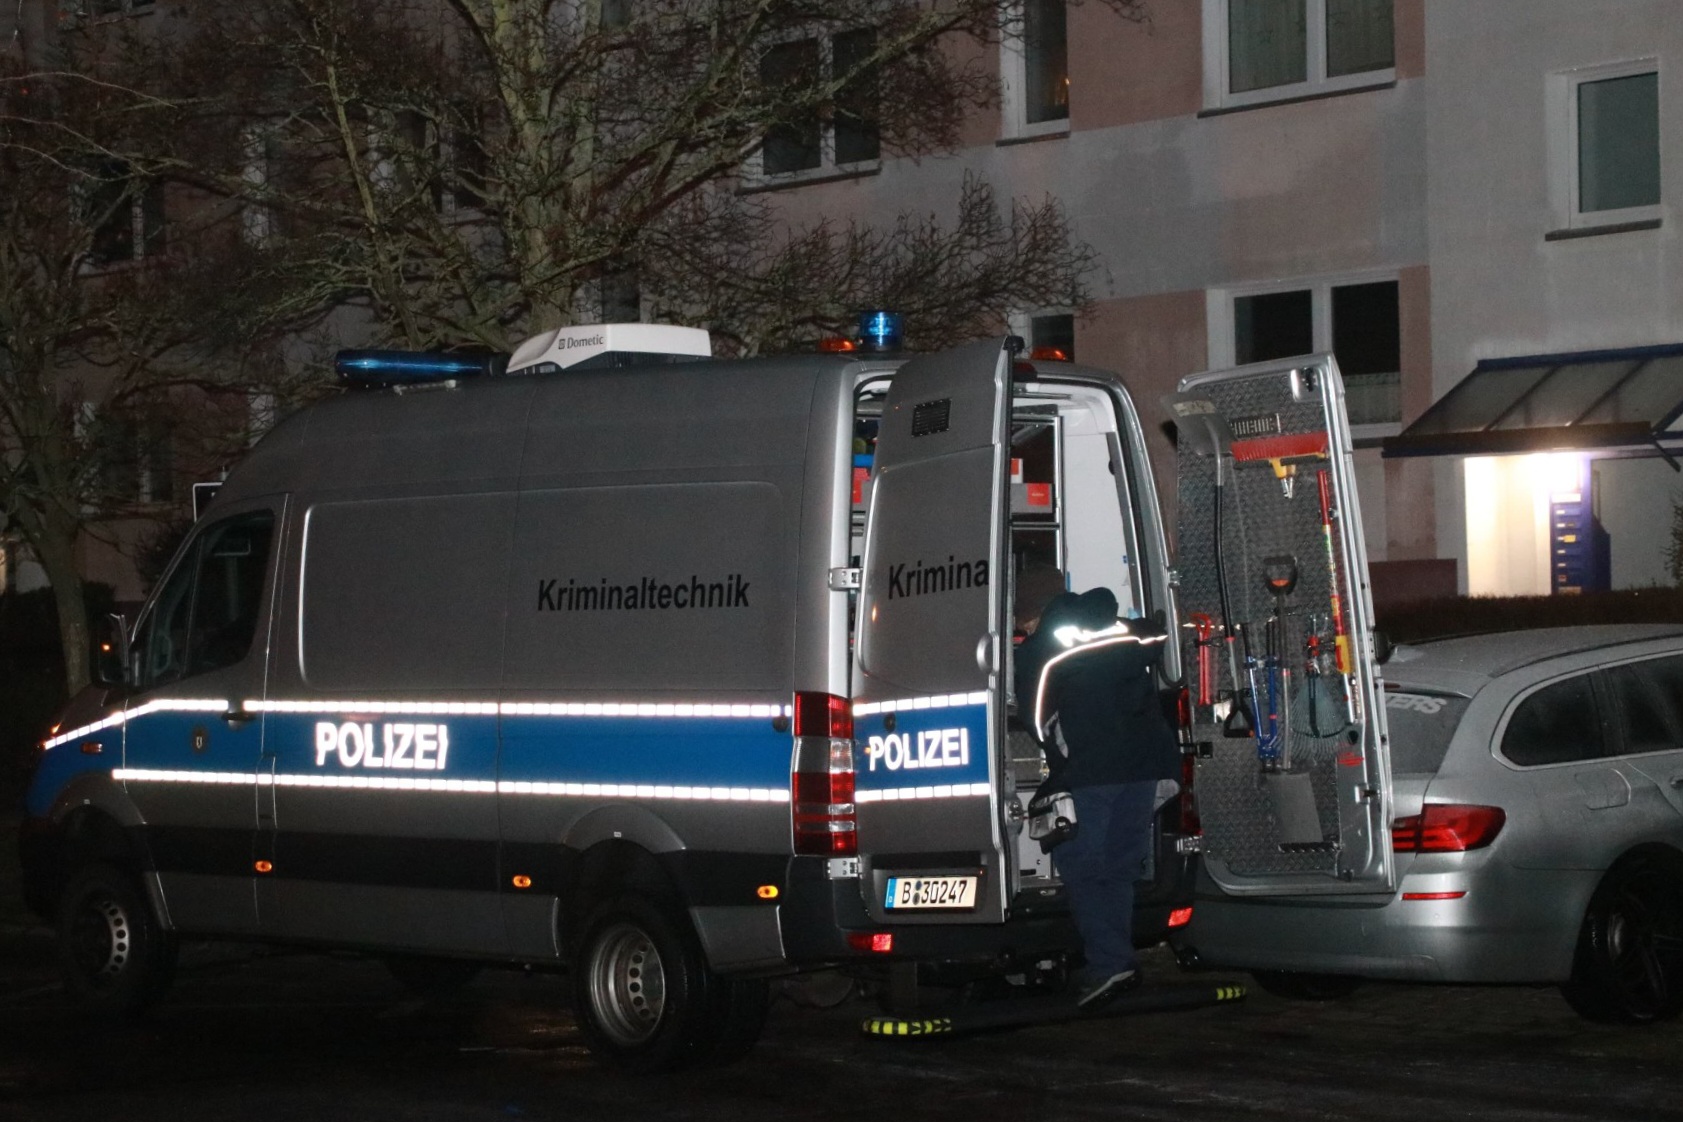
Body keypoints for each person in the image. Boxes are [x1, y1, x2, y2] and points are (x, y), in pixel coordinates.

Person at [1029, 587, 1177, 1007]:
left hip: (1093, 772)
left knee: (1082, 867)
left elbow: (1037, 720)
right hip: (1145, 767)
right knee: (1118, 869)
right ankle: (1117, 960)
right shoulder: (1130, 639)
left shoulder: (1047, 649)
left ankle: (1109, 964)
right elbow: (1156, 633)